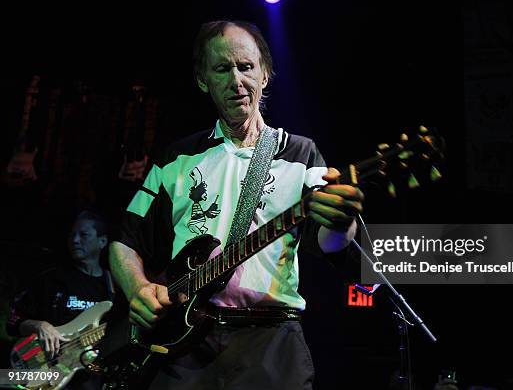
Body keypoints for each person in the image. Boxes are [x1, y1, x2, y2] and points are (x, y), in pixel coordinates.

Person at [108, 20, 364, 389]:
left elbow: (330, 246)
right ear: (202, 80)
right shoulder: (177, 158)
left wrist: (341, 223)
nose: (236, 80)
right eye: (221, 69)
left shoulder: (301, 153)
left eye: (246, 67)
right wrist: (138, 291)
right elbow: (125, 240)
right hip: (183, 347)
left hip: (271, 342)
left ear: (265, 74)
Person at [7, 210, 113, 388]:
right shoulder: (50, 280)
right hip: (47, 370)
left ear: (102, 241)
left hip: (92, 379)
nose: (75, 240)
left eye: (83, 234)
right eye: (72, 235)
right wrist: (39, 325)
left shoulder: (112, 287)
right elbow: (12, 321)